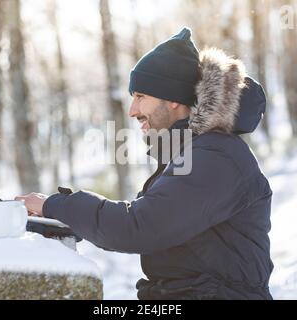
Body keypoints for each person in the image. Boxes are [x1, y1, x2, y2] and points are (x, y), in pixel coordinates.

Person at [15, 27, 274, 300]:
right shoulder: (190, 153)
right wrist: (59, 214)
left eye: (141, 96)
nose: (132, 110)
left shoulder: (217, 156)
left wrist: (55, 205)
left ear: (173, 99)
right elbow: (141, 217)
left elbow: (139, 226)